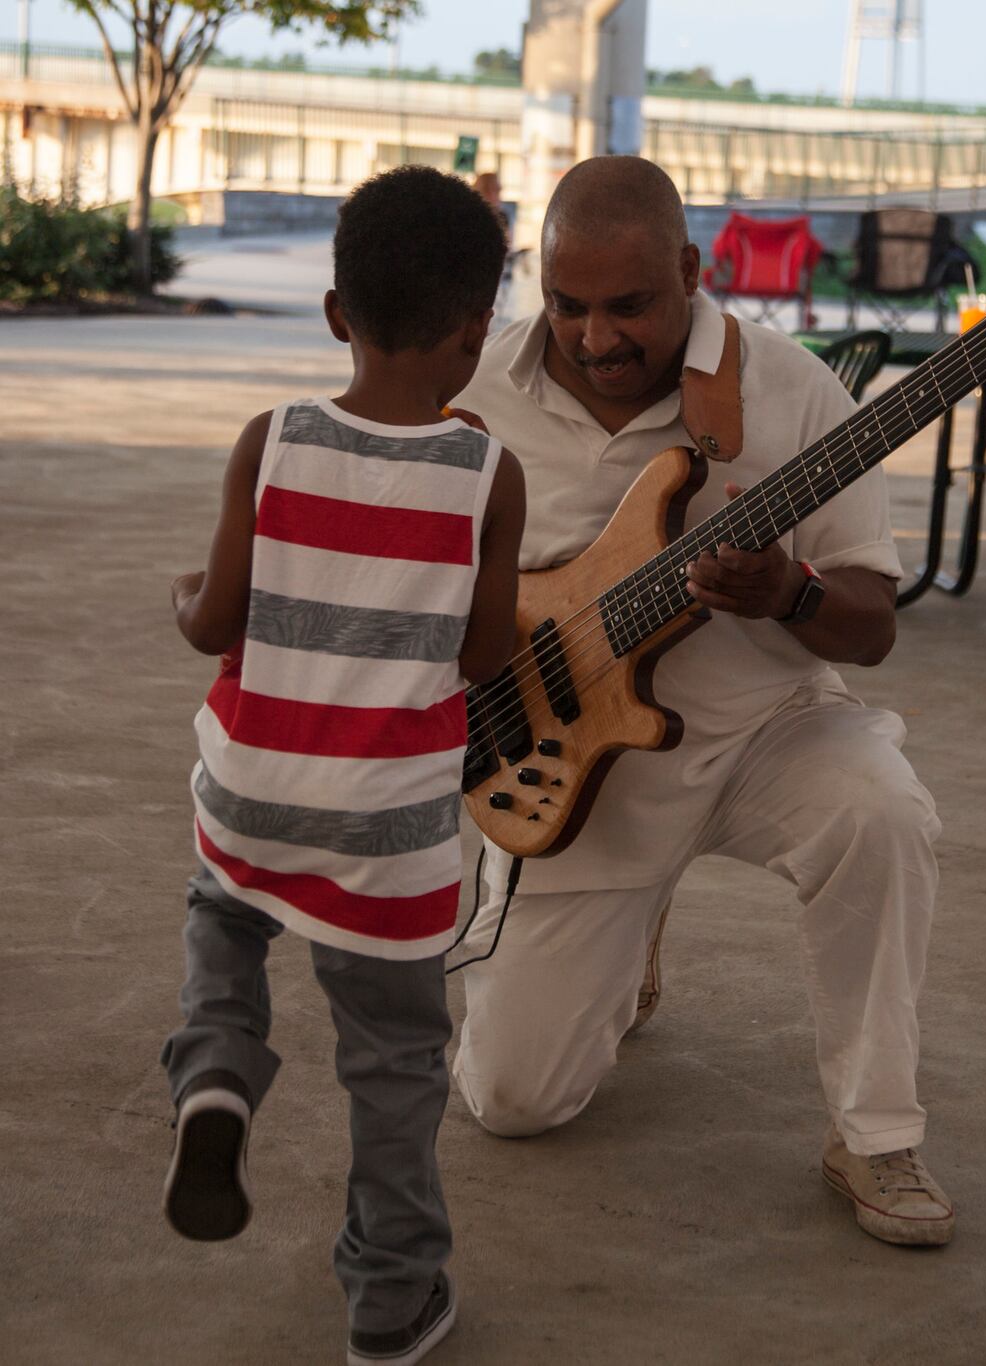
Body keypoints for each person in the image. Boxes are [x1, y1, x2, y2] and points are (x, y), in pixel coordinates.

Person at [447, 155, 954, 1248]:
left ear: (689, 269)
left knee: (882, 810)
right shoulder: (478, 396)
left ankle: (876, 1133)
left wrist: (791, 589)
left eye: (628, 305)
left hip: (766, 733)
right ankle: (634, 928)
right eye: (569, 305)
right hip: (583, 775)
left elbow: (870, 625)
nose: (594, 338)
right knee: (512, 1103)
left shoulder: (795, 391)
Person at [158, 165, 526, 1366]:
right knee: (394, 1065)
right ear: (477, 333)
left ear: (333, 314)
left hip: (256, 792)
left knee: (224, 916)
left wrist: (181, 596)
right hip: (389, 835)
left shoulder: (272, 441)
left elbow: (215, 623)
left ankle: (216, 1075)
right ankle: (391, 1297)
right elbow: (482, 657)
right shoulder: (488, 475)